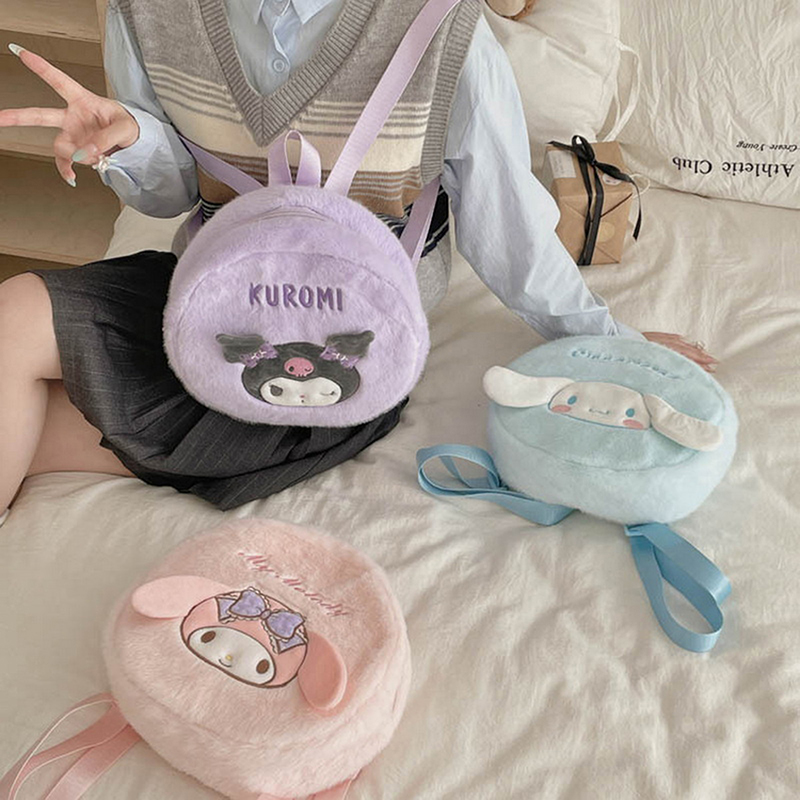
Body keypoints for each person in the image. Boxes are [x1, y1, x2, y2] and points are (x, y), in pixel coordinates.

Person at [0, 0, 716, 520]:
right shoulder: (148, 14)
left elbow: (508, 226)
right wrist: (133, 141)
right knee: (14, 310)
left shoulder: (445, 31)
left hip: (346, 338)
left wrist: (606, 345)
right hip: (203, 287)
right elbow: (170, 195)